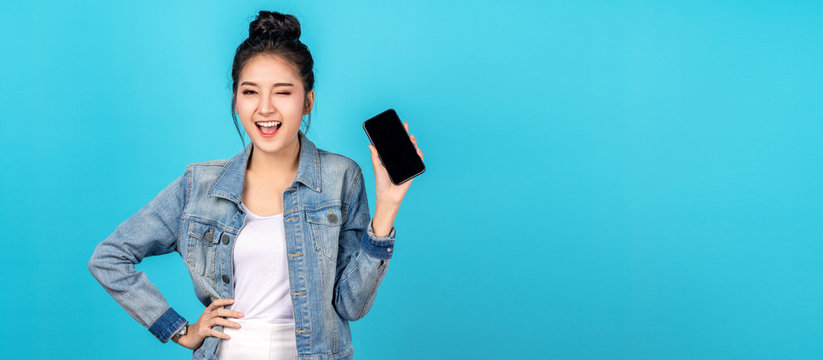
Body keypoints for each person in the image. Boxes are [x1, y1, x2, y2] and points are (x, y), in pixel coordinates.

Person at [87, 10, 423, 360]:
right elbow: (110, 258)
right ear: (236, 98)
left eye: (282, 92)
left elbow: (351, 305)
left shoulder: (341, 177)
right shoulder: (200, 184)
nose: (265, 108)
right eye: (250, 92)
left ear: (308, 101)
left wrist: (387, 208)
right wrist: (180, 330)